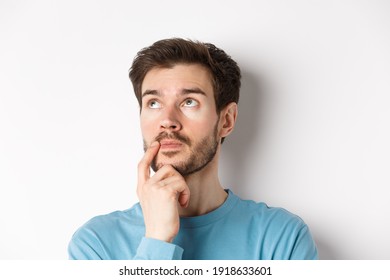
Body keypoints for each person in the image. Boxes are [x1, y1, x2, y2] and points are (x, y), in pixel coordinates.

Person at [68, 38, 318, 260]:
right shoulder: (95, 245)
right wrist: (157, 241)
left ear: (226, 120)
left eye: (189, 102)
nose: (167, 120)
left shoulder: (282, 238)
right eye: (153, 103)